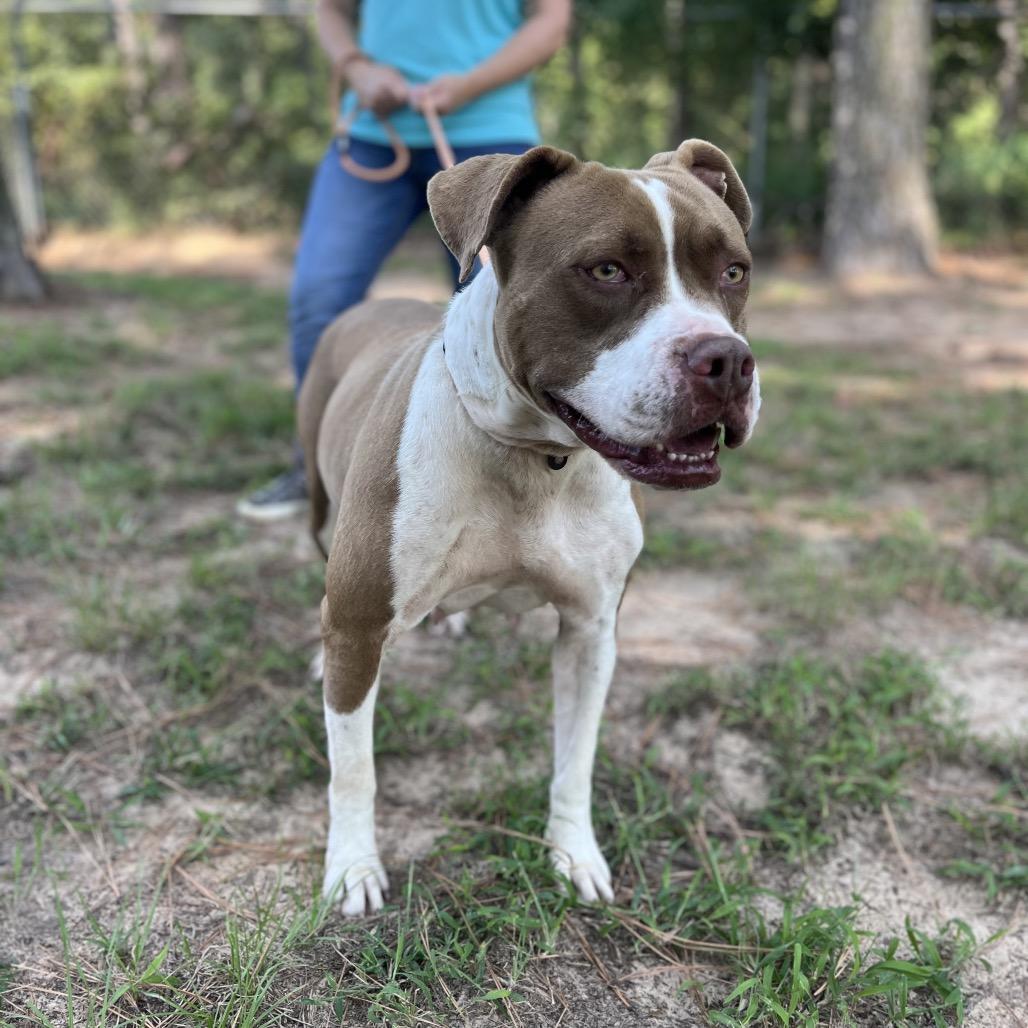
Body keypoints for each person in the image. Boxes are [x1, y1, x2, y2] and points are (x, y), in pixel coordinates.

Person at [237, 0, 572, 521]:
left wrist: (468, 85)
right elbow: (330, 10)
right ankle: (314, 470)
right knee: (318, 296)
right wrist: (358, 68)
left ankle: (515, 474)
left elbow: (550, 20)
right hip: (373, 136)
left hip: (491, 136)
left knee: (495, 307)